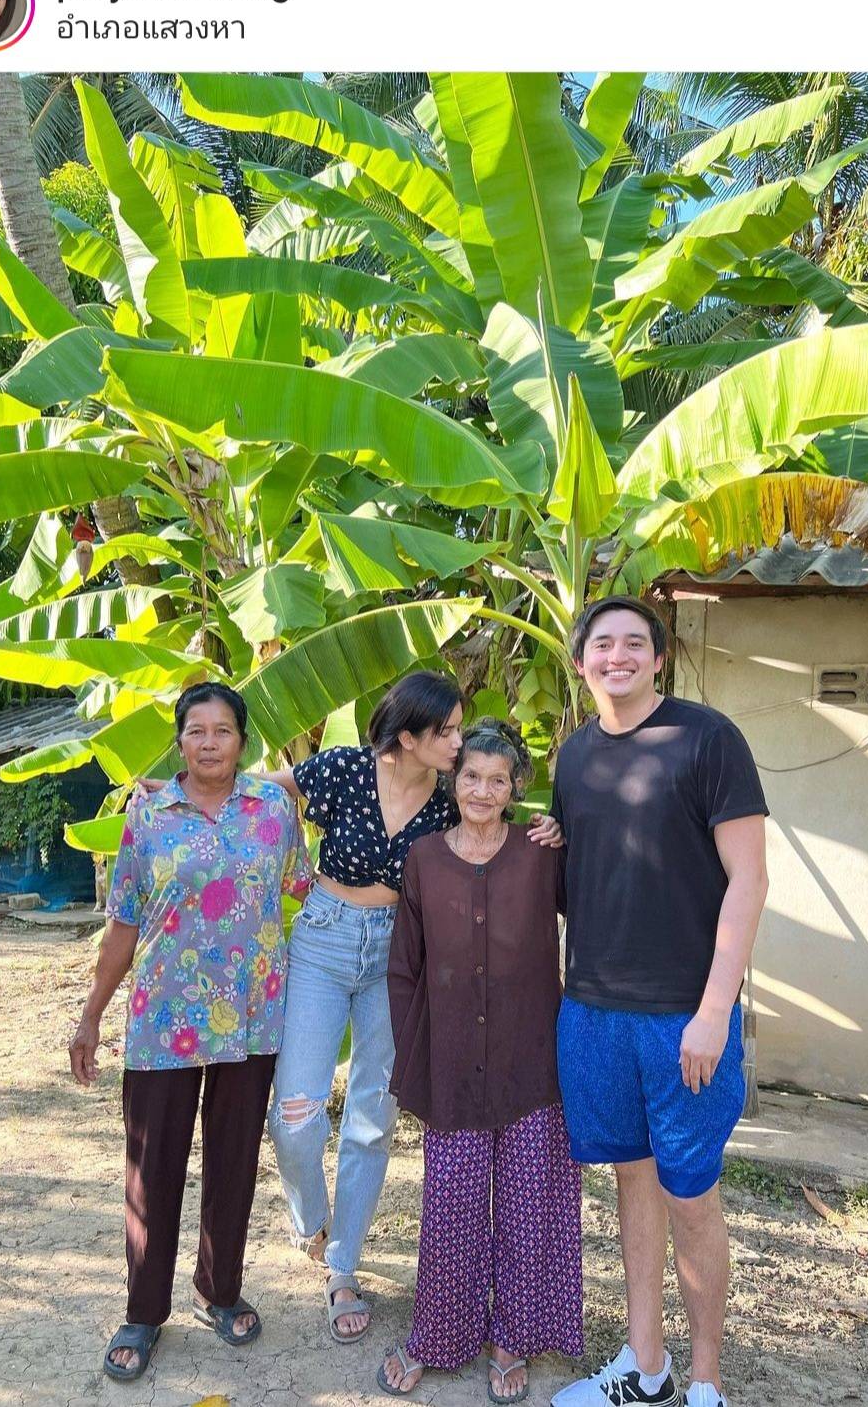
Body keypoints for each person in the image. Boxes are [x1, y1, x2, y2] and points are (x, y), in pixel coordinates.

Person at [265, 673, 564, 1343]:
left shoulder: (448, 800)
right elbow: (262, 793)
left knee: (373, 1118)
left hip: (399, 958)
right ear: (409, 736)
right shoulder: (342, 769)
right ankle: (309, 1219)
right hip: (322, 939)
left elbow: (496, 825)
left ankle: (342, 1269)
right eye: (449, 731)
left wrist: (549, 826)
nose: (459, 744)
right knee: (296, 1114)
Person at [550, 596, 769, 1407]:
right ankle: (646, 1367)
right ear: (582, 664)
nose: (617, 656)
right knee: (631, 1181)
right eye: (602, 645)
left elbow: (749, 879)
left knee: (690, 1195)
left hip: (684, 1013)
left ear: (657, 659)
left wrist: (716, 1010)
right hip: (594, 1011)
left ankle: (705, 1380)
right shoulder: (572, 757)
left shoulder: (707, 739)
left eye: (633, 644)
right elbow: (582, 864)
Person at [68, 683, 312, 1383]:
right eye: (197, 731)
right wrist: (91, 1014)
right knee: (153, 1169)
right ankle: (143, 1312)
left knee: (234, 1164)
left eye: (224, 731)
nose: (210, 743)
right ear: (180, 741)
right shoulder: (147, 816)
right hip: (162, 1022)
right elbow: (122, 924)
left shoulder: (273, 810)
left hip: (252, 1020)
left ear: (244, 741)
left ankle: (220, 1290)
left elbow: (307, 888)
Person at [380, 719, 583, 1403]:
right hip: (452, 1065)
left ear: (516, 786)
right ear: (452, 778)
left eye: (499, 779)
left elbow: (593, 902)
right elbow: (404, 967)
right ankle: (439, 1338)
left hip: (533, 1062)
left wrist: (563, 832)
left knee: (532, 1207)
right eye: (471, 776)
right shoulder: (425, 858)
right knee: (452, 1207)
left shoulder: (539, 852)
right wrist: (414, 1059)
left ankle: (512, 1341)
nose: (484, 790)